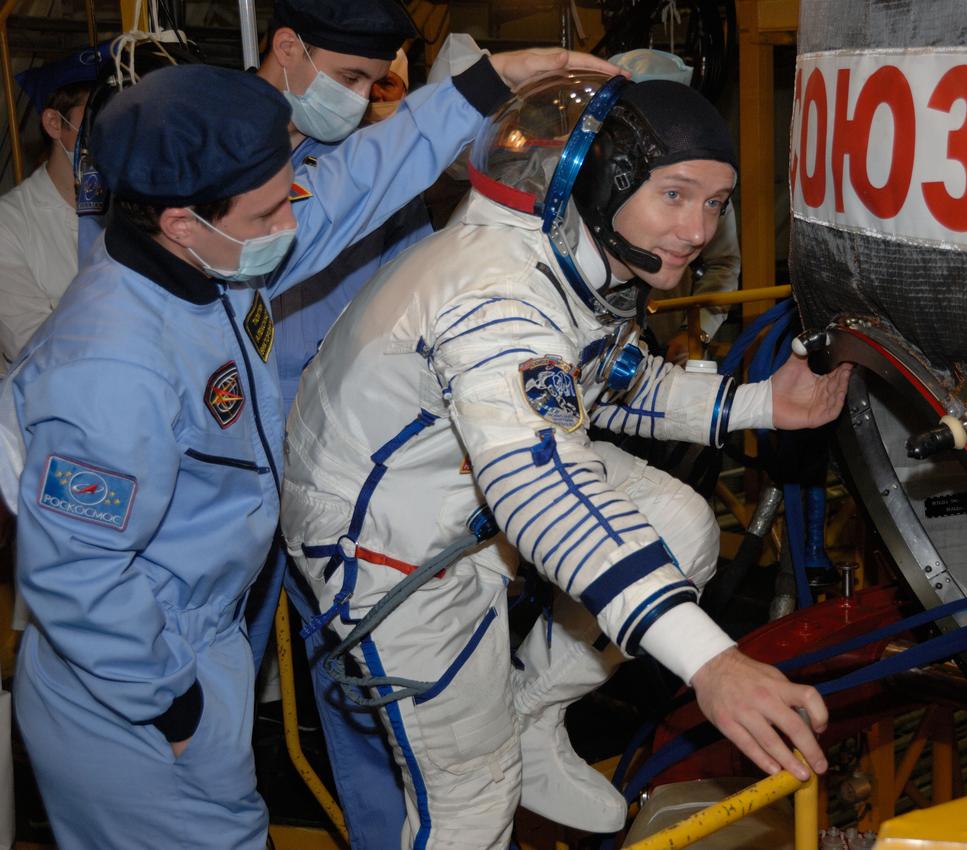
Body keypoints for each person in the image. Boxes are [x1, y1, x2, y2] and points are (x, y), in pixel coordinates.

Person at [0, 39, 604, 847]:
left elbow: (354, 185)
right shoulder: (111, 367)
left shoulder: (210, 265)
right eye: (271, 212)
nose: (293, 224)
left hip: (191, 647)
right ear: (183, 222)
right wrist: (173, 706)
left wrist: (488, 83)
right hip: (127, 685)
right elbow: (76, 576)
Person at [280, 72, 853, 848]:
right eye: (676, 195)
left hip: (460, 492)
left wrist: (760, 406)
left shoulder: (569, 253)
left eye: (714, 204)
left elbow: (604, 380)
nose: (697, 230)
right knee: (472, 801)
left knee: (681, 525)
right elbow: (538, 487)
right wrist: (712, 663)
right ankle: (499, 755)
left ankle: (528, 718)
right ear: (601, 180)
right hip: (388, 538)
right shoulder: (497, 296)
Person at [606, 48, 742, 365]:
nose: (695, 233)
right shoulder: (577, 181)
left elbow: (723, 264)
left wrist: (697, 331)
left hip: (662, 344)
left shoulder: (708, 189)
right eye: (672, 195)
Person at [0, 48, 103, 370]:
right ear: (54, 124)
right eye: (95, 119)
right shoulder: (10, 225)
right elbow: (33, 348)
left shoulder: (136, 208)